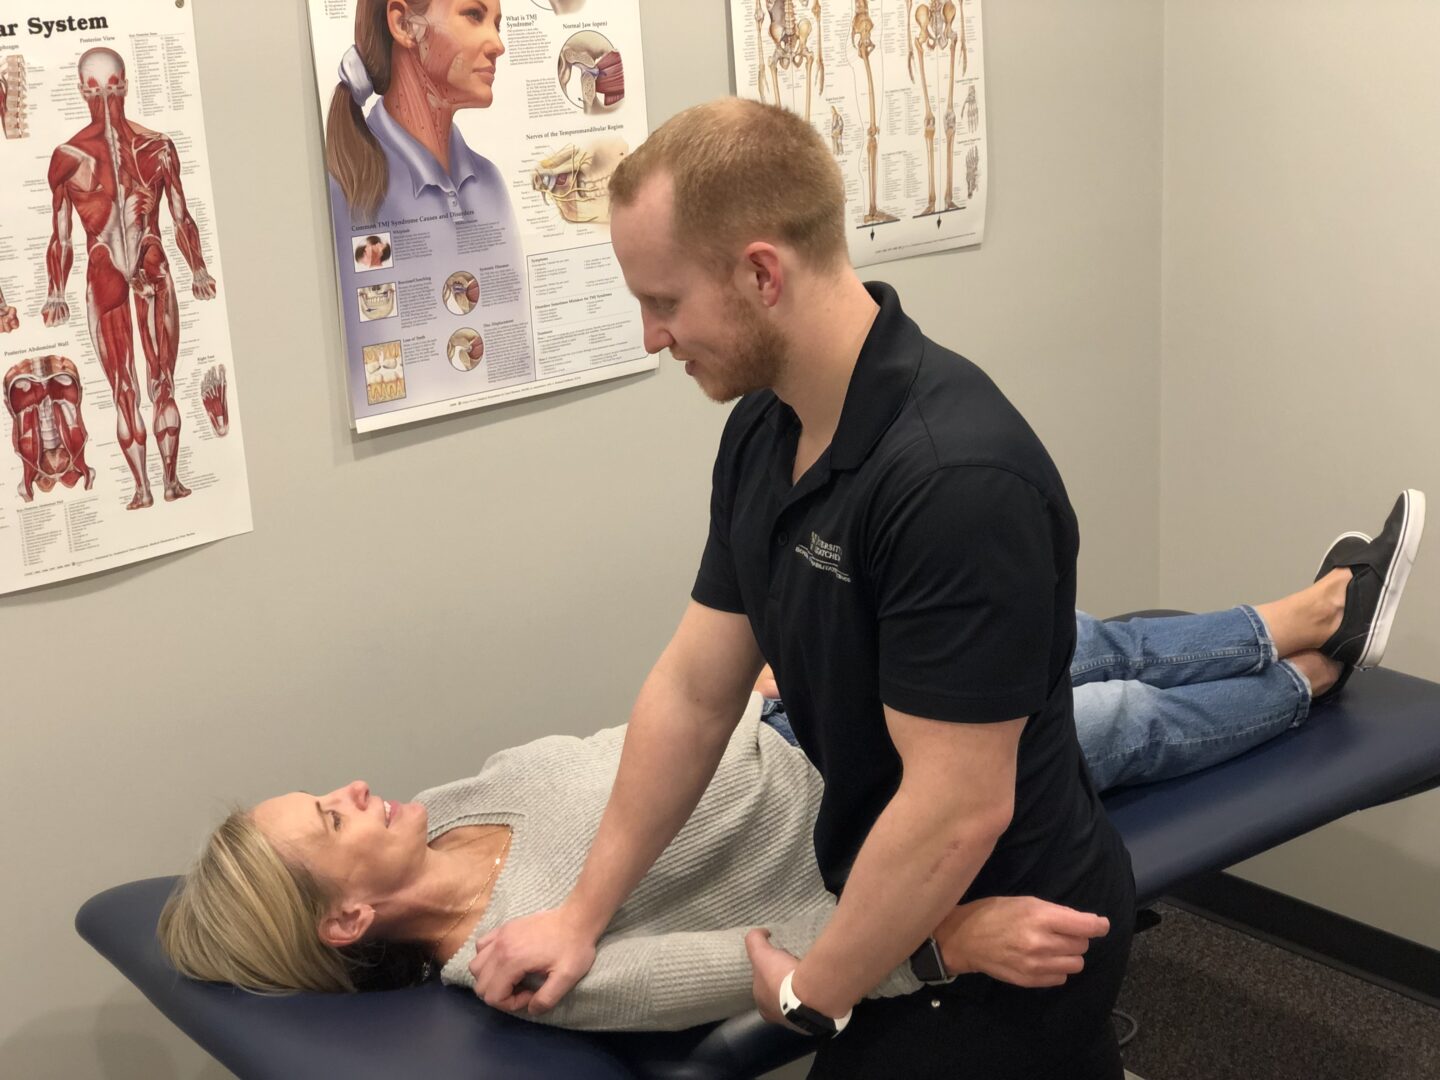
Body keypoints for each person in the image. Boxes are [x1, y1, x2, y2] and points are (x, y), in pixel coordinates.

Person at [157, 500, 1425, 1032]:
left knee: (1052, 639)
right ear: (346, 918)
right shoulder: (519, 962)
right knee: (1112, 725)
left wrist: (763, 687)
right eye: (331, 819)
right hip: (867, 818)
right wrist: (944, 947)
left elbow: (625, 753)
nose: (353, 791)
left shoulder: (449, 809)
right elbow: (765, 969)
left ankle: (1302, 615)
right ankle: (1306, 686)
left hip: (792, 718)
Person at [326, 0, 531, 416]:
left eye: (497, 23)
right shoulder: (349, 190)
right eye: (474, 15)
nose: (498, 44)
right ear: (404, 25)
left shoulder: (490, 184)